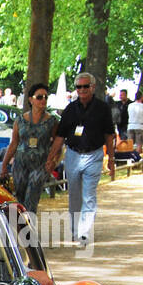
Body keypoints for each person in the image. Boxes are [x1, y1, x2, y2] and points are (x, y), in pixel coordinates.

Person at [45, 72, 116, 246]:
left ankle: (85, 232)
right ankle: (75, 230)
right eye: (78, 87)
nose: (82, 90)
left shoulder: (102, 108)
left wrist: (112, 158)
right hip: (73, 155)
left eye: (85, 86)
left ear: (92, 87)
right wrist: (51, 158)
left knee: (89, 195)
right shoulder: (70, 109)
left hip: (94, 154)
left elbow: (109, 135)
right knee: (75, 195)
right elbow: (60, 136)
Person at [0, 82, 59, 215]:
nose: (43, 100)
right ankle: (19, 231)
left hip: (40, 165)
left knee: (32, 198)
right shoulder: (20, 120)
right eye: (39, 97)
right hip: (21, 164)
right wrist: (4, 165)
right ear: (31, 100)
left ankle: (28, 231)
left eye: (45, 97)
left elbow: (58, 143)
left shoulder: (52, 121)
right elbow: (14, 143)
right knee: (19, 198)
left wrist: (54, 161)